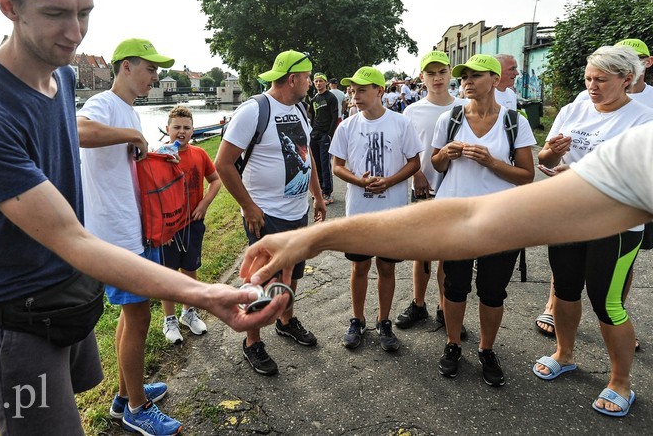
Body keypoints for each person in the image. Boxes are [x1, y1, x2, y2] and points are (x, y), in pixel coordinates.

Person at [0, 0, 287, 435]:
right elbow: (69, 236)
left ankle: (129, 399)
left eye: (85, 11)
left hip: (73, 284)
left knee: (85, 390)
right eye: (56, 13)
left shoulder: (65, 77)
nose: (75, 31)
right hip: (24, 307)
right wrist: (204, 295)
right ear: (8, 6)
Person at [242, 121, 653, 417]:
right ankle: (477, 346)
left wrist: (317, 236)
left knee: (598, 301)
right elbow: (470, 221)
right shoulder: (638, 154)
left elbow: (496, 197)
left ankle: (616, 379)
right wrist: (316, 237)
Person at [532, 45, 653, 416]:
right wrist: (552, 151)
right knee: (566, 291)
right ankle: (564, 355)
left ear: (626, 80)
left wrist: (585, 176)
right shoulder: (573, 109)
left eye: (601, 79)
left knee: (606, 301)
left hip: (615, 223)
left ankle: (620, 382)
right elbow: (545, 160)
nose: (592, 86)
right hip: (567, 216)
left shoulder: (643, 120)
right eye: (588, 78)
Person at [78, 37, 191, 432]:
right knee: (139, 316)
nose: (155, 76)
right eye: (150, 68)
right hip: (117, 234)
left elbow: (126, 163)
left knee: (133, 316)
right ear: (126, 66)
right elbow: (77, 130)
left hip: (134, 228)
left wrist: (152, 150)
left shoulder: (128, 110)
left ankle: (126, 395)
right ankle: (138, 410)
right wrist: (132, 137)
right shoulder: (104, 103)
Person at [215, 50, 326, 376]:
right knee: (262, 280)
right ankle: (252, 341)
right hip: (266, 215)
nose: (310, 81)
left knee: (292, 273)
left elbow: (307, 156)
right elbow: (222, 164)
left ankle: (286, 321)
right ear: (293, 78)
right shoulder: (254, 111)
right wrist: (249, 206)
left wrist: (317, 196)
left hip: (297, 211)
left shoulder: (301, 109)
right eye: (307, 77)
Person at [430, 54, 535, 386]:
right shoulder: (449, 118)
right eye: (464, 77)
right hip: (456, 218)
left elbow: (526, 177)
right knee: (455, 286)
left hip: (499, 220)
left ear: (494, 79)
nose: (467, 82)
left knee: (492, 291)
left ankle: (487, 350)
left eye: (475, 76)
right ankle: (452, 344)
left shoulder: (514, 121)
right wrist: (443, 155)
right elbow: (436, 165)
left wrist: (491, 162)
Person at [330, 66, 422, 351]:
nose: (355, 96)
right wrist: (359, 180)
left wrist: (390, 182)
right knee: (359, 266)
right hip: (359, 211)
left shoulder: (400, 123)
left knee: (386, 267)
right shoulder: (347, 126)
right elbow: (337, 167)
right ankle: (357, 319)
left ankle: (384, 321)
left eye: (362, 90)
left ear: (380, 91)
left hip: (391, 211)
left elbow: (414, 162)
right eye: (352, 91)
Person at [395, 51, 468, 337]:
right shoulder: (412, 111)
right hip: (424, 188)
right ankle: (418, 303)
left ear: (450, 74)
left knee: (449, 256)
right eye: (431, 73)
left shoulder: (466, 106)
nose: (437, 78)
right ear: (422, 77)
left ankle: (445, 308)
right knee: (423, 253)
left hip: (457, 191)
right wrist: (416, 174)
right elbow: (405, 150)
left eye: (442, 72)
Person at [159, 105, 222, 344]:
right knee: (168, 273)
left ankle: (189, 312)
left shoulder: (200, 154)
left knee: (191, 268)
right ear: (168, 129)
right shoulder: (160, 155)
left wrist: (204, 203)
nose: (181, 132)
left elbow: (215, 181)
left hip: (193, 223)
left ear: (193, 130)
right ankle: (170, 319)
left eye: (186, 127)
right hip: (168, 228)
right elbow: (152, 193)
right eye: (176, 127)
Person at [309, 72, 338, 204]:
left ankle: (327, 192)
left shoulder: (331, 97)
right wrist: (311, 132)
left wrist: (329, 134)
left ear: (326, 83)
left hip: (325, 136)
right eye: (316, 81)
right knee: (316, 164)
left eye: (321, 81)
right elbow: (313, 117)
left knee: (325, 163)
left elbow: (334, 118)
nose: (318, 83)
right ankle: (319, 189)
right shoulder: (314, 99)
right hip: (315, 134)